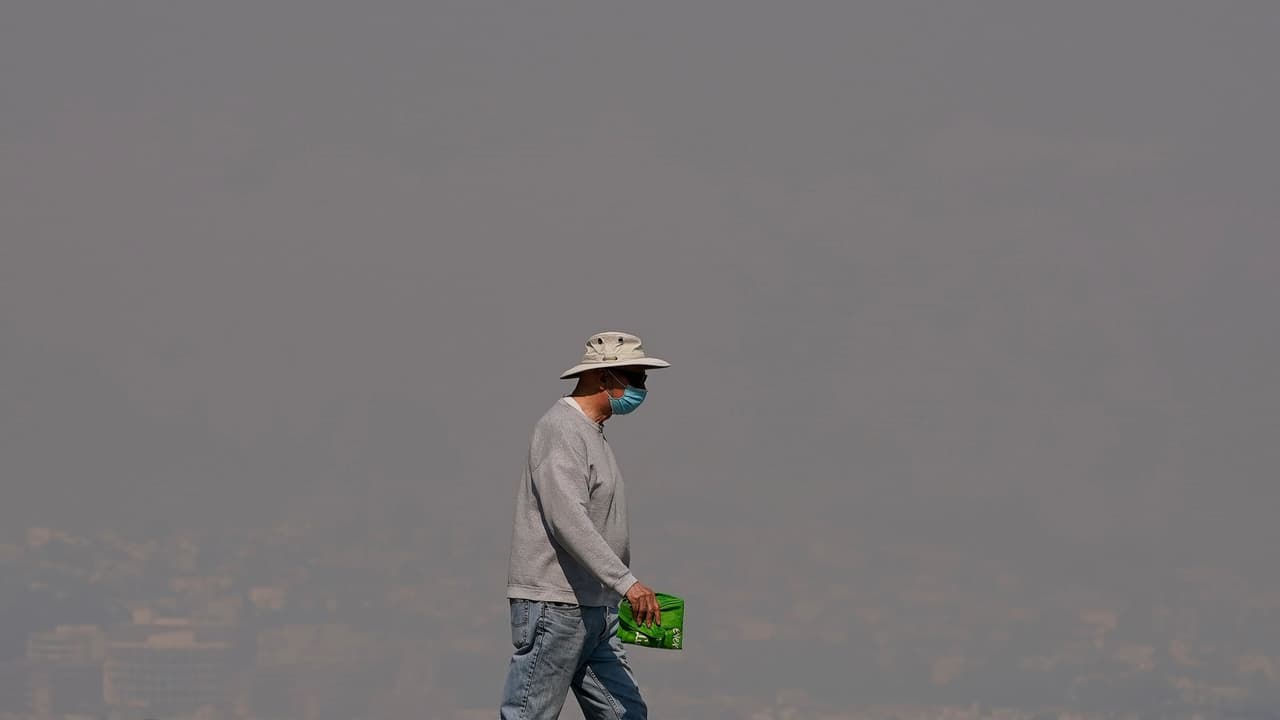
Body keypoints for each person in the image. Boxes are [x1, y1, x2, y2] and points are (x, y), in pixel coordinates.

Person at [501, 331, 670, 719]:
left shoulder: (591, 435)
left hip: (597, 605)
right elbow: (567, 520)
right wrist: (627, 583)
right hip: (557, 604)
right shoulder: (561, 430)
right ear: (603, 377)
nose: (642, 388)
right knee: (530, 713)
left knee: (625, 713)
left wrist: (616, 591)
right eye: (635, 377)